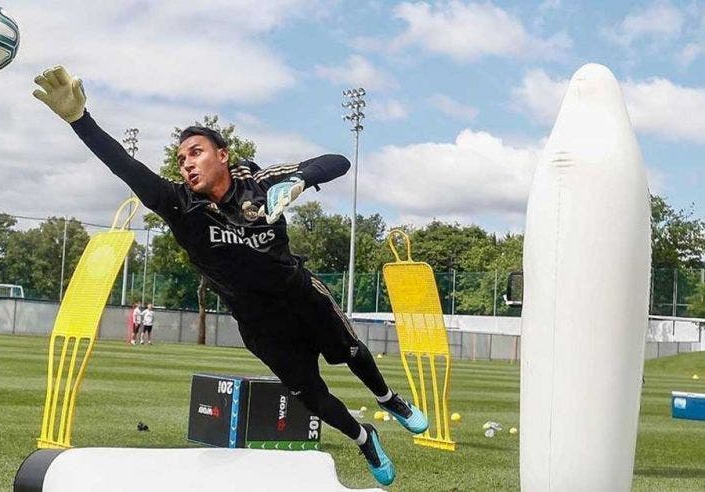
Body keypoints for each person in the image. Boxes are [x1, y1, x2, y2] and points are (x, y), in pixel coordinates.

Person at [32, 65, 427, 486]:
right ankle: (364, 436)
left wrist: (300, 181)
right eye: (181, 159)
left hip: (299, 295)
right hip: (257, 322)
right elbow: (123, 166)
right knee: (310, 396)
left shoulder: (258, 182)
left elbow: (338, 161)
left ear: (222, 155)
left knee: (351, 353)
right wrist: (80, 120)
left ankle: (390, 400)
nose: (186, 163)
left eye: (196, 152)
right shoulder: (177, 202)